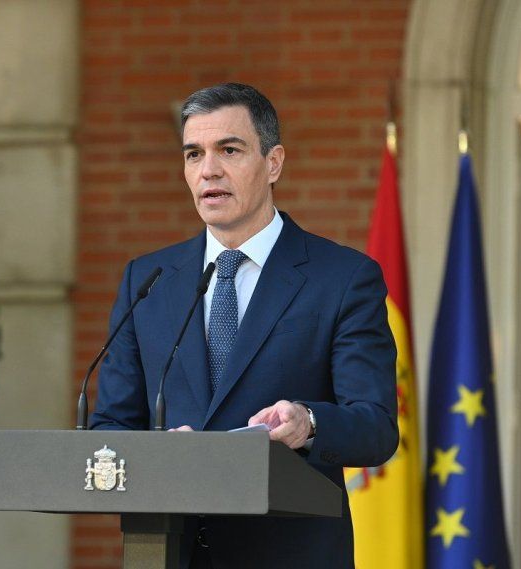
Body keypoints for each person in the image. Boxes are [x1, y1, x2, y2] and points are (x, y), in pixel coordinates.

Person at [90, 83, 398, 568]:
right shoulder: (148, 281)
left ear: (273, 162)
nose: (208, 169)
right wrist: (158, 454)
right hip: (170, 551)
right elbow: (110, 425)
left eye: (228, 150)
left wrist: (307, 423)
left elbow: (376, 428)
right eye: (194, 154)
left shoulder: (342, 278)